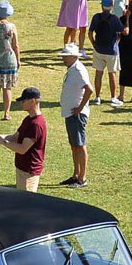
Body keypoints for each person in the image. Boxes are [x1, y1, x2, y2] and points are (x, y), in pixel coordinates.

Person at [57, 45, 92, 188]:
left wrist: (80, 107)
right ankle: (76, 175)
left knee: (79, 144)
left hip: (76, 115)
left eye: (65, 56)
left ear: (73, 56)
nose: (63, 58)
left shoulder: (78, 70)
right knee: (74, 145)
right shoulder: (72, 69)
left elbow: (89, 90)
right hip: (70, 113)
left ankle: (82, 178)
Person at [87, 0, 126, 106]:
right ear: (111, 7)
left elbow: (90, 33)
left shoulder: (96, 17)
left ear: (102, 7)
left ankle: (97, 97)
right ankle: (113, 97)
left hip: (98, 49)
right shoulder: (114, 18)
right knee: (112, 74)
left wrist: (94, 44)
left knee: (98, 74)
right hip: (111, 51)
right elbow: (123, 31)